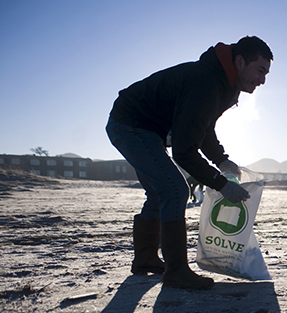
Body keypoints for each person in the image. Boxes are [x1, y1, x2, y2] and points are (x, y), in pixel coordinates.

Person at [106, 36, 273, 290]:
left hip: (148, 129)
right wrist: (221, 184)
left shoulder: (224, 84)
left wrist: (221, 160)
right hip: (131, 124)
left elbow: (202, 127)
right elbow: (184, 152)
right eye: (260, 71)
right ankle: (176, 272)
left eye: (266, 74)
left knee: (159, 191)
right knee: (174, 189)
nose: (262, 80)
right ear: (240, 62)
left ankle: (146, 259)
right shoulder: (206, 82)